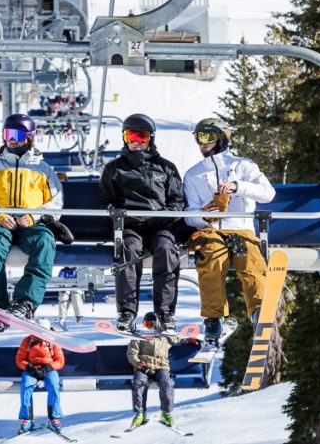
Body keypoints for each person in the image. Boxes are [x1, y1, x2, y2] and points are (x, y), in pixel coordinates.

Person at [182, 117, 275, 343]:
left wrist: (238, 187)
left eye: (207, 137)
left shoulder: (243, 166)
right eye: (198, 138)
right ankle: (213, 318)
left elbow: (268, 193)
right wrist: (203, 215)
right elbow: (189, 214)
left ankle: (259, 310)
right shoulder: (193, 174)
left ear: (222, 137)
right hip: (211, 231)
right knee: (211, 260)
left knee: (250, 260)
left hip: (240, 230)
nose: (202, 143)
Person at [0, 113, 64, 332]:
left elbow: (56, 202)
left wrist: (33, 216)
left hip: (30, 223)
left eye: (17, 135)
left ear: (29, 138)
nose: (11, 140)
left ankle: (25, 302)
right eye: (7, 134)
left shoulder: (42, 169)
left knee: (44, 242)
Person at [97, 113, 185, 333]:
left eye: (141, 136)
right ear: (124, 138)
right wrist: (117, 214)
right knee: (128, 248)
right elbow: (104, 201)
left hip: (159, 225)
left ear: (150, 138)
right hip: (130, 225)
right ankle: (127, 312)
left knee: (166, 249)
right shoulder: (115, 169)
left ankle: (165, 312)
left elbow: (177, 201)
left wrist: (163, 216)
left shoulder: (166, 168)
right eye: (131, 136)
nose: (136, 142)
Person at [16, 318, 66, 433]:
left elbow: (60, 360)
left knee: (54, 384)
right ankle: (27, 418)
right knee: (26, 384)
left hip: (48, 370)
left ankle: (54, 417)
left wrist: (49, 367)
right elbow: (20, 359)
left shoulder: (53, 342)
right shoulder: (27, 341)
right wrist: (29, 367)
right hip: (32, 370)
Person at [127, 312, 176, 428]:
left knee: (166, 382)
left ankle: (166, 412)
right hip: (144, 367)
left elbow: (178, 338)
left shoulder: (165, 337)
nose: (148, 327)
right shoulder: (139, 336)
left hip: (161, 366)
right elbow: (131, 353)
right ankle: (140, 414)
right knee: (138, 382)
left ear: (157, 324)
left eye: (150, 324)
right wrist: (138, 363)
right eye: (146, 324)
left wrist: (191, 340)